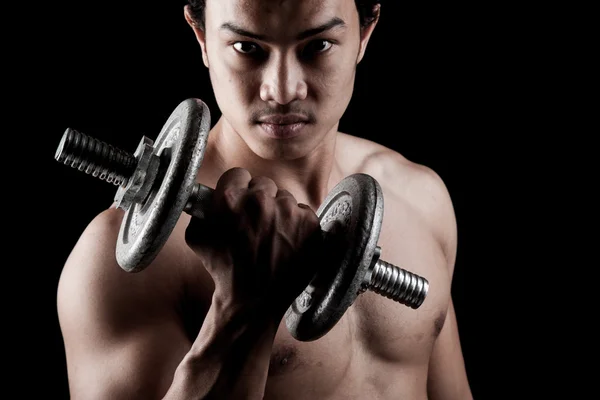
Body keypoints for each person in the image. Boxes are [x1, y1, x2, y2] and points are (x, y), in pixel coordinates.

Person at [57, 0, 473, 399]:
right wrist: (242, 310)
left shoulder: (421, 197)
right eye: (247, 48)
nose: (282, 90)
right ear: (201, 37)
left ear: (365, 33)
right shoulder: (116, 265)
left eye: (318, 46)